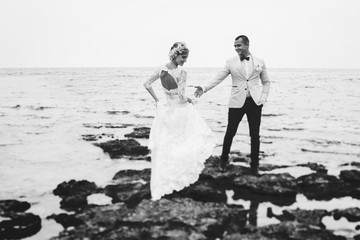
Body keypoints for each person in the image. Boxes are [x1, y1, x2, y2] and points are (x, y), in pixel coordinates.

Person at [143, 42, 216, 200]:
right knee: (185, 141)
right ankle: (180, 174)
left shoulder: (161, 68)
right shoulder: (182, 73)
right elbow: (182, 97)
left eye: (186, 58)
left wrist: (157, 100)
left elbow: (146, 84)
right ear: (176, 55)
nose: (185, 60)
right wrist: (191, 100)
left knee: (169, 143)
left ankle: (168, 175)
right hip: (180, 111)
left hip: (167, 111)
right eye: (184, 57)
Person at [194, 35, 270, 175]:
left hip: (255, 102)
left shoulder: (260, 61)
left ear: (247, 45)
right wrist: (204, 88)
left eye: (239, 45)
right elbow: (218, 77)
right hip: (236, 102)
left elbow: (266, 82)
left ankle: (254, 165)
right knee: (230, 132)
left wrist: (263, 99)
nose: (236, 48)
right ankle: (223, 160)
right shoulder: (230, 62)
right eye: (235, 46)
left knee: (255, 134)